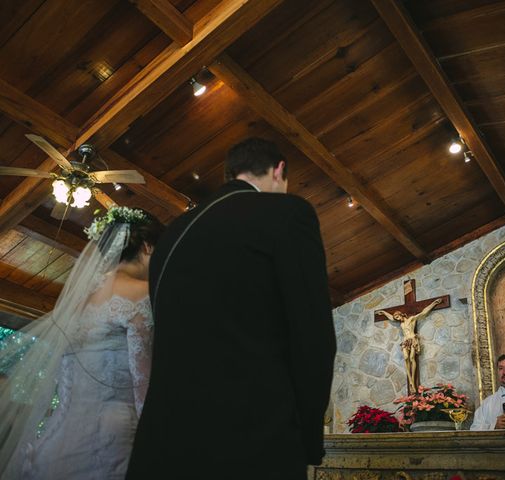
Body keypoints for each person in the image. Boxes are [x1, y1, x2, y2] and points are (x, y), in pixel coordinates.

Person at [127, 138, 336, 479]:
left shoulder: (171, 236)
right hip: (251, 441)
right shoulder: (289, 214)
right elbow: (313, 336)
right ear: (279, 170)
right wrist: (310, 439)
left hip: (162, 443)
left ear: (230, 173)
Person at [0, 206, 164, 479]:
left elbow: (65, 380)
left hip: (60, 435)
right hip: (116, 437)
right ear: (148, 247)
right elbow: (142, 386)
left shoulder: (77, 304)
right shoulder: (141, 296)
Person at [375, 298, 442, 393]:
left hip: (413, 340)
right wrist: (384, 312)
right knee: (406, 358)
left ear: (401, 315)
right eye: (396, 318)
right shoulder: (401, 324)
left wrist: (433, 303)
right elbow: (391, 318)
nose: (397, 319)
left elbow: (423, 313)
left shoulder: (411, 319)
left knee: (411, 358)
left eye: (398, 317)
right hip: (405, 342)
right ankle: (411, 381)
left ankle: (413, 383)